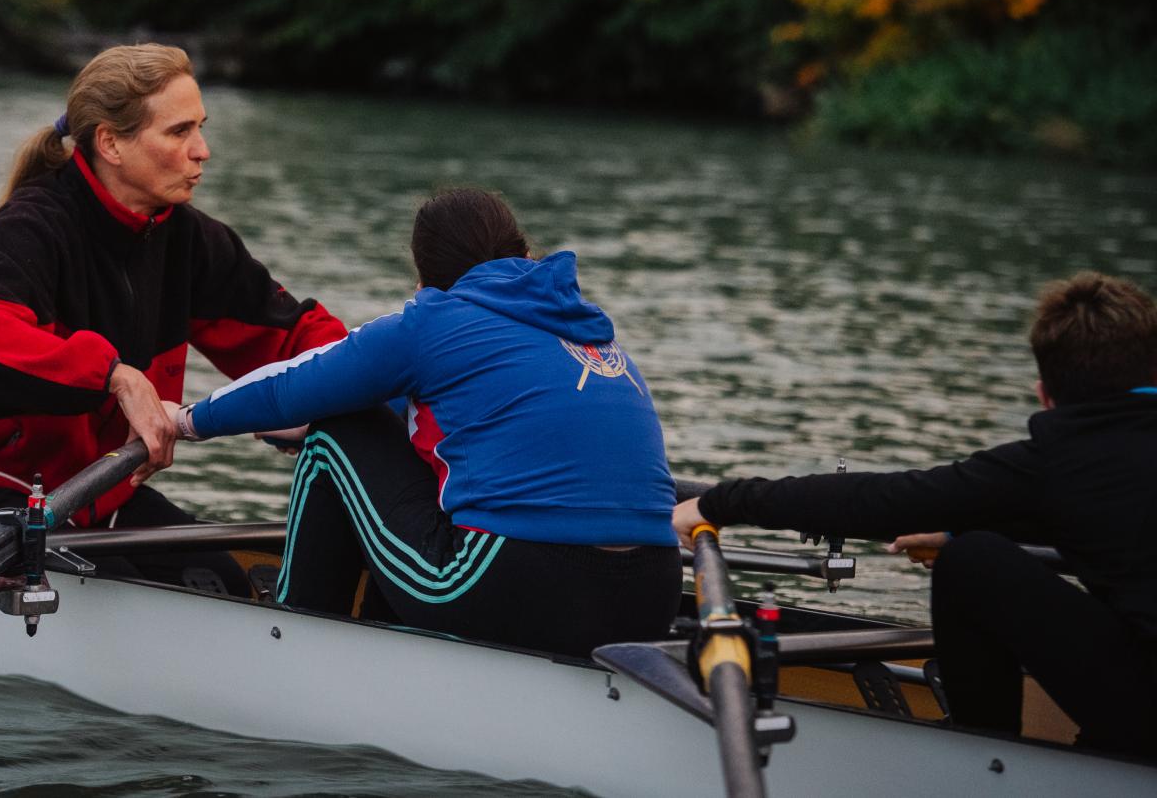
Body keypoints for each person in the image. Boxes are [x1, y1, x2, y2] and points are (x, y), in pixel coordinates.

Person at [0, 43, 346, 593]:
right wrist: (115, 376)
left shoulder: (191, 241)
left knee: (223, 583)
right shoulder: (32, 227)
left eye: (200, 127)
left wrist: (375, 376)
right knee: (133, 592)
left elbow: (291, 337)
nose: (203, 151)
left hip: (88, 496)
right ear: (110, 143)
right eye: (179, 132)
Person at [171, 188, 683, 658]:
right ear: (525, 257)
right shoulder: (589, 330)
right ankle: (380, 625)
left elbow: (290, 387)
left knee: (332, 438)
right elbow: (440, 415)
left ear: (423, 281)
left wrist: (184, 421)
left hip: (517, 587)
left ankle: (289, 645)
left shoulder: (435, 319)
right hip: (652, 598)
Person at [672, 271, 1157, 754]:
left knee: (974, 562)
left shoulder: (1063, 458)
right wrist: (956, 523)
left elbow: (881, 501)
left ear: (1045, 397)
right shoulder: (1114, 458)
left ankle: (985, 758)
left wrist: (720, 502)